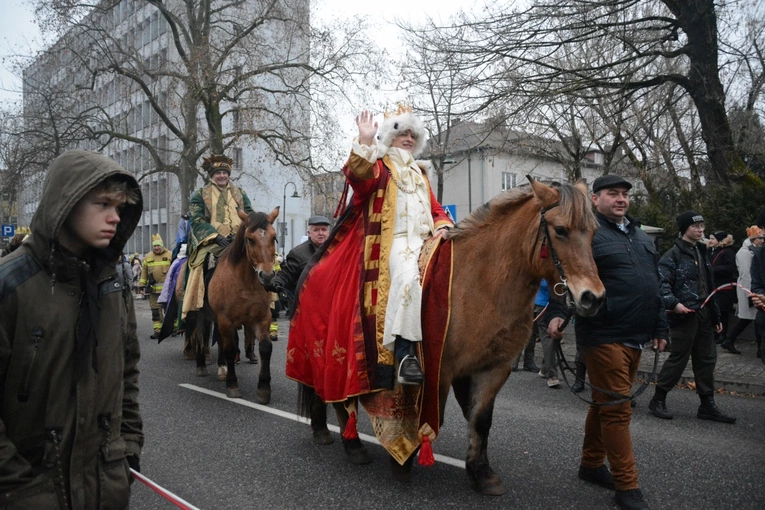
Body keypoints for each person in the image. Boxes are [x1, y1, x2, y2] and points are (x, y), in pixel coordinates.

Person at [0, 149, 143, 508]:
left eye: (121, 208)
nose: (114, 217)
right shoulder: (10, 285)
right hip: (30, 489)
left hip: (103, 486)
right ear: (66, 203)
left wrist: (126, 449)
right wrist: (19, 487)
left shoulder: (114, 283)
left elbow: (127, 373)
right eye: (103, 204)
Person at [287, 106, 453, 395]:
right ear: (390, 136)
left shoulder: (421, 174)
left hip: (426, 239)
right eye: (402, 133)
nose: (409, 138)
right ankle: (405, 353)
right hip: (395, 241)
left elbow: (437, 209)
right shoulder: (381, 165)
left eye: (413, 135)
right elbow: (358, 178)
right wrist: (365, 141)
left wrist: (443, 225)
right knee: (407, 276)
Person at [547, 174, 668, 510]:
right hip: (603, 333)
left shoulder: (641, 235)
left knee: (604, 402)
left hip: (637, 334)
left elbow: (654, 284)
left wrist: (660, 327)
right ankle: (627, 487)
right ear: (595, 199)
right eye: (612, 194)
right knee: (617, 409)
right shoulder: (590, 232)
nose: (621, 199)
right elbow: (567, 270)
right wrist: (558, 314)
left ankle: (590, 464)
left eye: (625, 195)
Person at [648, 211, 736, 424]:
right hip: (684, 316)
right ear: (684, 228)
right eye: (696, 226)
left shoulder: (702, 252)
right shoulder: (672, 255)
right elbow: (662, 284)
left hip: (705, 314)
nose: (701, 230)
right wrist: (674, 304)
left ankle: (707, 404)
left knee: (706, 359)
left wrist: (716, 318)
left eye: (702, 226)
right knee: (678, 358)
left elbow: (710, 286)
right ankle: (658, 398)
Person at [182, 154, 254, 319]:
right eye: (217, 173)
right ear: (211, 175)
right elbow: (197, 219)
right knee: (202, 264)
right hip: (212, 242)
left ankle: (267, 301)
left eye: (224, 172)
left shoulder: (240, 193)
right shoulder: (200, 194)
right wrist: (214, 236)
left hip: (239, 240)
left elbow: (249, 214)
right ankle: (198, 302)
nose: (222, 175)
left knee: (260, 259)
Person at [267, 215, 331, 312]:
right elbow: (287, 274)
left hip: (331, 303)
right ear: (309, 233)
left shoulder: (337, 250)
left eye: (324, 230)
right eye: (316, 230)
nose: (321, 233)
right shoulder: (298, 253)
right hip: (307, 306)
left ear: (329, 232)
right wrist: (275, 283)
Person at [723, 226, 764, 356]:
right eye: (760, 238)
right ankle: (730, 341)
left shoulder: (752, 251)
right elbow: (746, 274)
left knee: (750, 319)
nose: (762, 241)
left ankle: (731, 341)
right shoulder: (745, 253)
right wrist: (750, 293)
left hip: (752, 291)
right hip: (749, 290)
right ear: (752, 239)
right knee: (749, 318)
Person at [139, 233, 172, 339]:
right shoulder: (148, 257)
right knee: (155, 311)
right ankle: (157, 331)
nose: (156, 248)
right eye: (154, 246)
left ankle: (173, 329)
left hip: (168, 290)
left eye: (158, 245)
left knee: (169, 310)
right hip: (153, 291)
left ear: (162, 245)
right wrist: (142, 284)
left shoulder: (170, 255)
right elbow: (144, 272)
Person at [707, 230, 736, 347]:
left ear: (719, 241)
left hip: (724, 286)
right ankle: (716, 333)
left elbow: (730, 268)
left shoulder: (728, 252)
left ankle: (723, 334)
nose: (710, 241)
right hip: (714, 286)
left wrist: (713, 270)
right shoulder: (710, 251)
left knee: (723, 311)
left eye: (713, 239)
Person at [532, 279, 560, 388]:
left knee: (533, 335)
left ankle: (544, 368)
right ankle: (552, 375)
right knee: (548, 339)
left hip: (539, 302)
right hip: (544, 304)